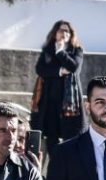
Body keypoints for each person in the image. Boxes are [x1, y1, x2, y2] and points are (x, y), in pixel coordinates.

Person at [32, 20, 85, 150]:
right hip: (49, 99)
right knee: (51, 134)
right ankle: (53, 163)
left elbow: (74, 67)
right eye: (61, 30)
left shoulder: (77, 50)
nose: (64, 33)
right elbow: (40, 69)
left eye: (67, 31)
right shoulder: (48, 50)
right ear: (55, 33)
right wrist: (60, 71)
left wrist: (60, 52)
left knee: (71, 133)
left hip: (69, 102)